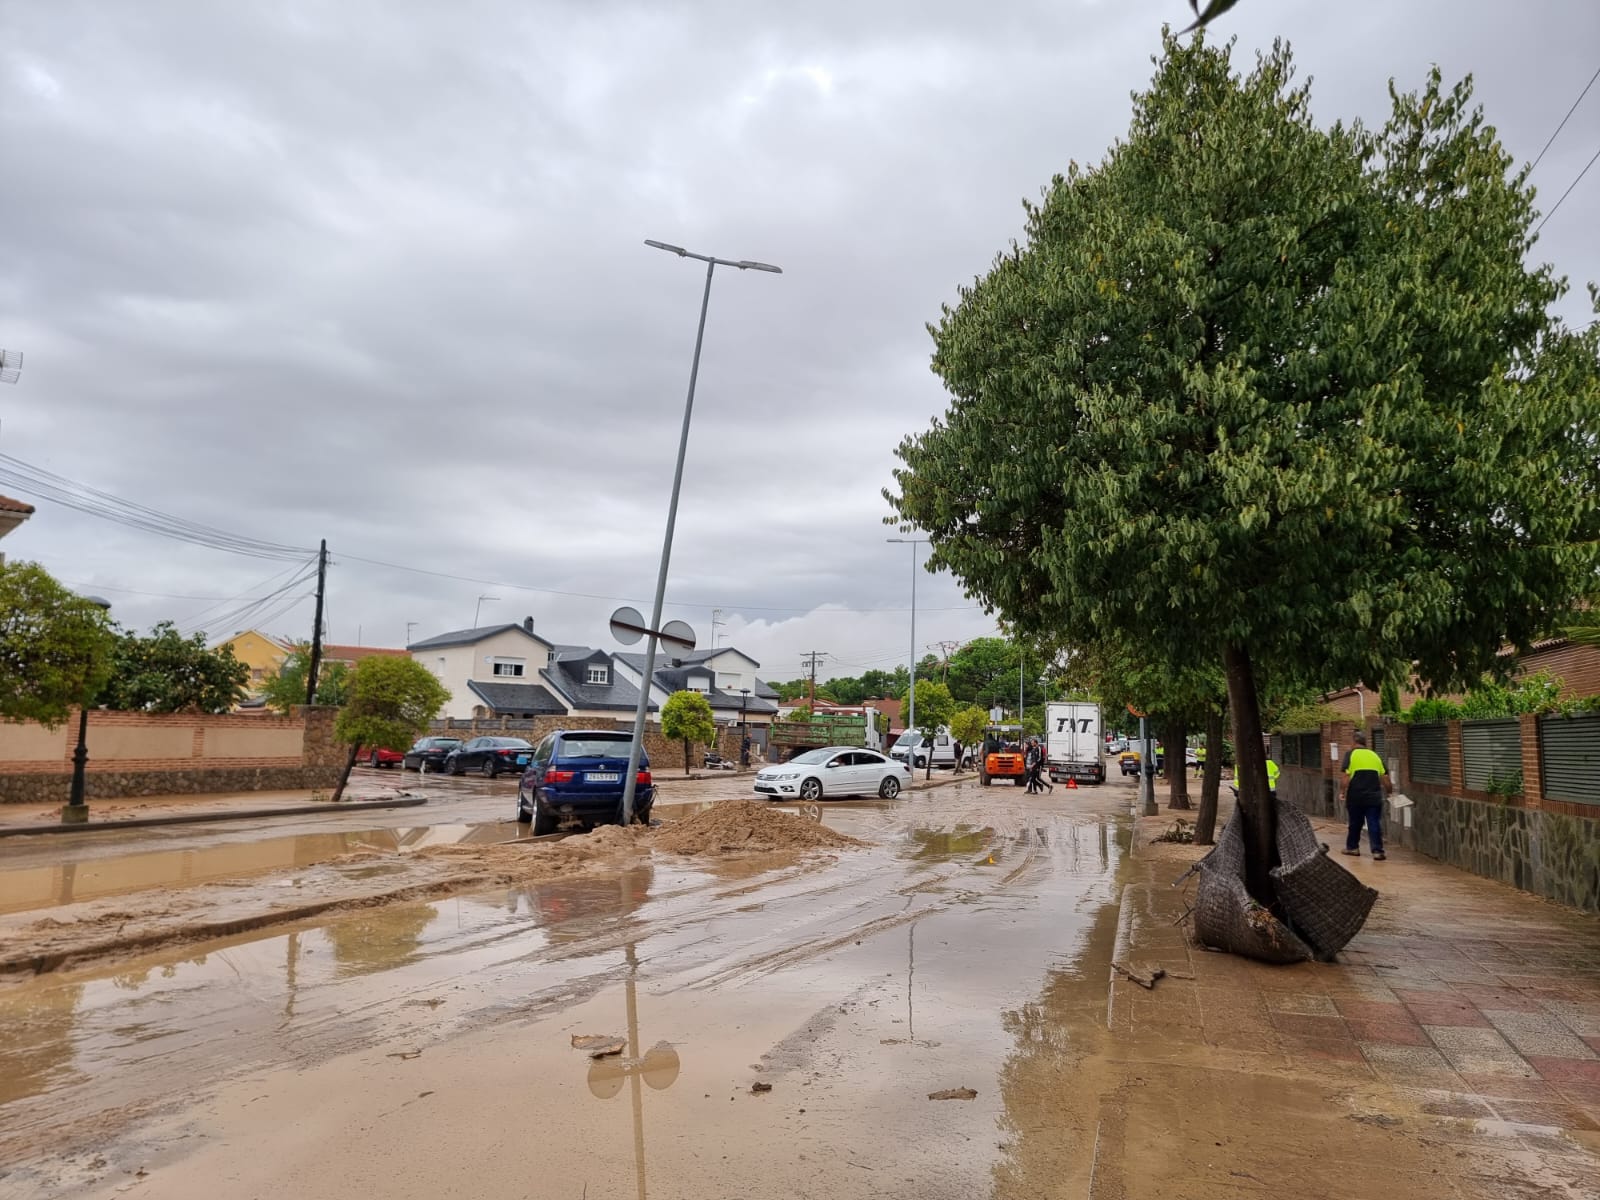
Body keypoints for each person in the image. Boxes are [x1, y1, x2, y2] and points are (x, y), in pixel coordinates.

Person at [1341, 731, 1391, 861]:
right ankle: (1377, 851)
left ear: (1354, 742)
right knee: (1374, 822)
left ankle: (1352, 848)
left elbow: (1346, 776)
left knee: (1355, 823)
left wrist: (1342, 791)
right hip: (1374, 797)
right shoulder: (1375, 755)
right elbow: (1385, 777)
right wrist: (1390, 792)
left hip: (1355, 796)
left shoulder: (1350, 754)